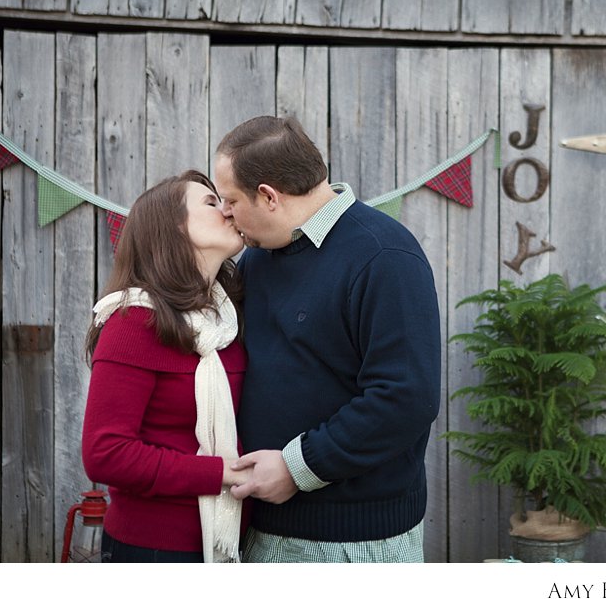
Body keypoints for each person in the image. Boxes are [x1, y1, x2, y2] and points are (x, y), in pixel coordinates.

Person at [213, 116, 441, 562]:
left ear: (268, 196)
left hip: (351, 545)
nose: (225, 213)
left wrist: (298, 469)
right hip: (259, 525)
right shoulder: (259, 259)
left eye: (231, 200)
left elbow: (405, 398)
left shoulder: (383, 256)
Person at [82, 170, 250, 563]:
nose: (227, 210)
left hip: (235, 541)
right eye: (211, 202)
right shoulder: (133, 322)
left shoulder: (227, 320)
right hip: (153, 548)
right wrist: (220, 473)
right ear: (172, 229)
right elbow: (105, 452)